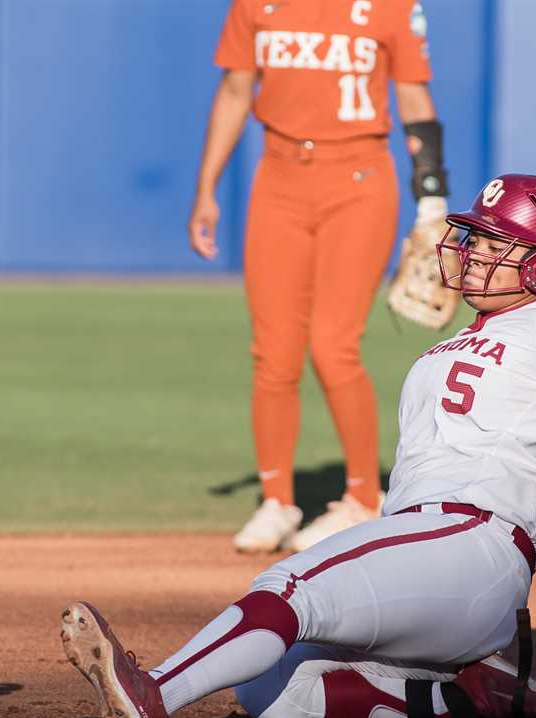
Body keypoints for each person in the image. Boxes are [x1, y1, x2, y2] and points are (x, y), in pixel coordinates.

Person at [64, 175, 536, 718]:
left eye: (500, 244)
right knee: (272, 692)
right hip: (425, 557)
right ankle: (470, 699)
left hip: (472, 543)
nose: (474, 250)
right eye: (476, 236)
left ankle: (154, 696)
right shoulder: (466, 338)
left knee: (288, 587)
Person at [189, 0, 452, 553]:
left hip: (358, 180)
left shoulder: (390, 6)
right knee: (274, 350)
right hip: (278, 180)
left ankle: (363, 498)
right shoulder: (255, 6)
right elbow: (236, 90)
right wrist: (207, 187)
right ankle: (277, 499)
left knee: (333, 345)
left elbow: (412, 96)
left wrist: (432, 198)